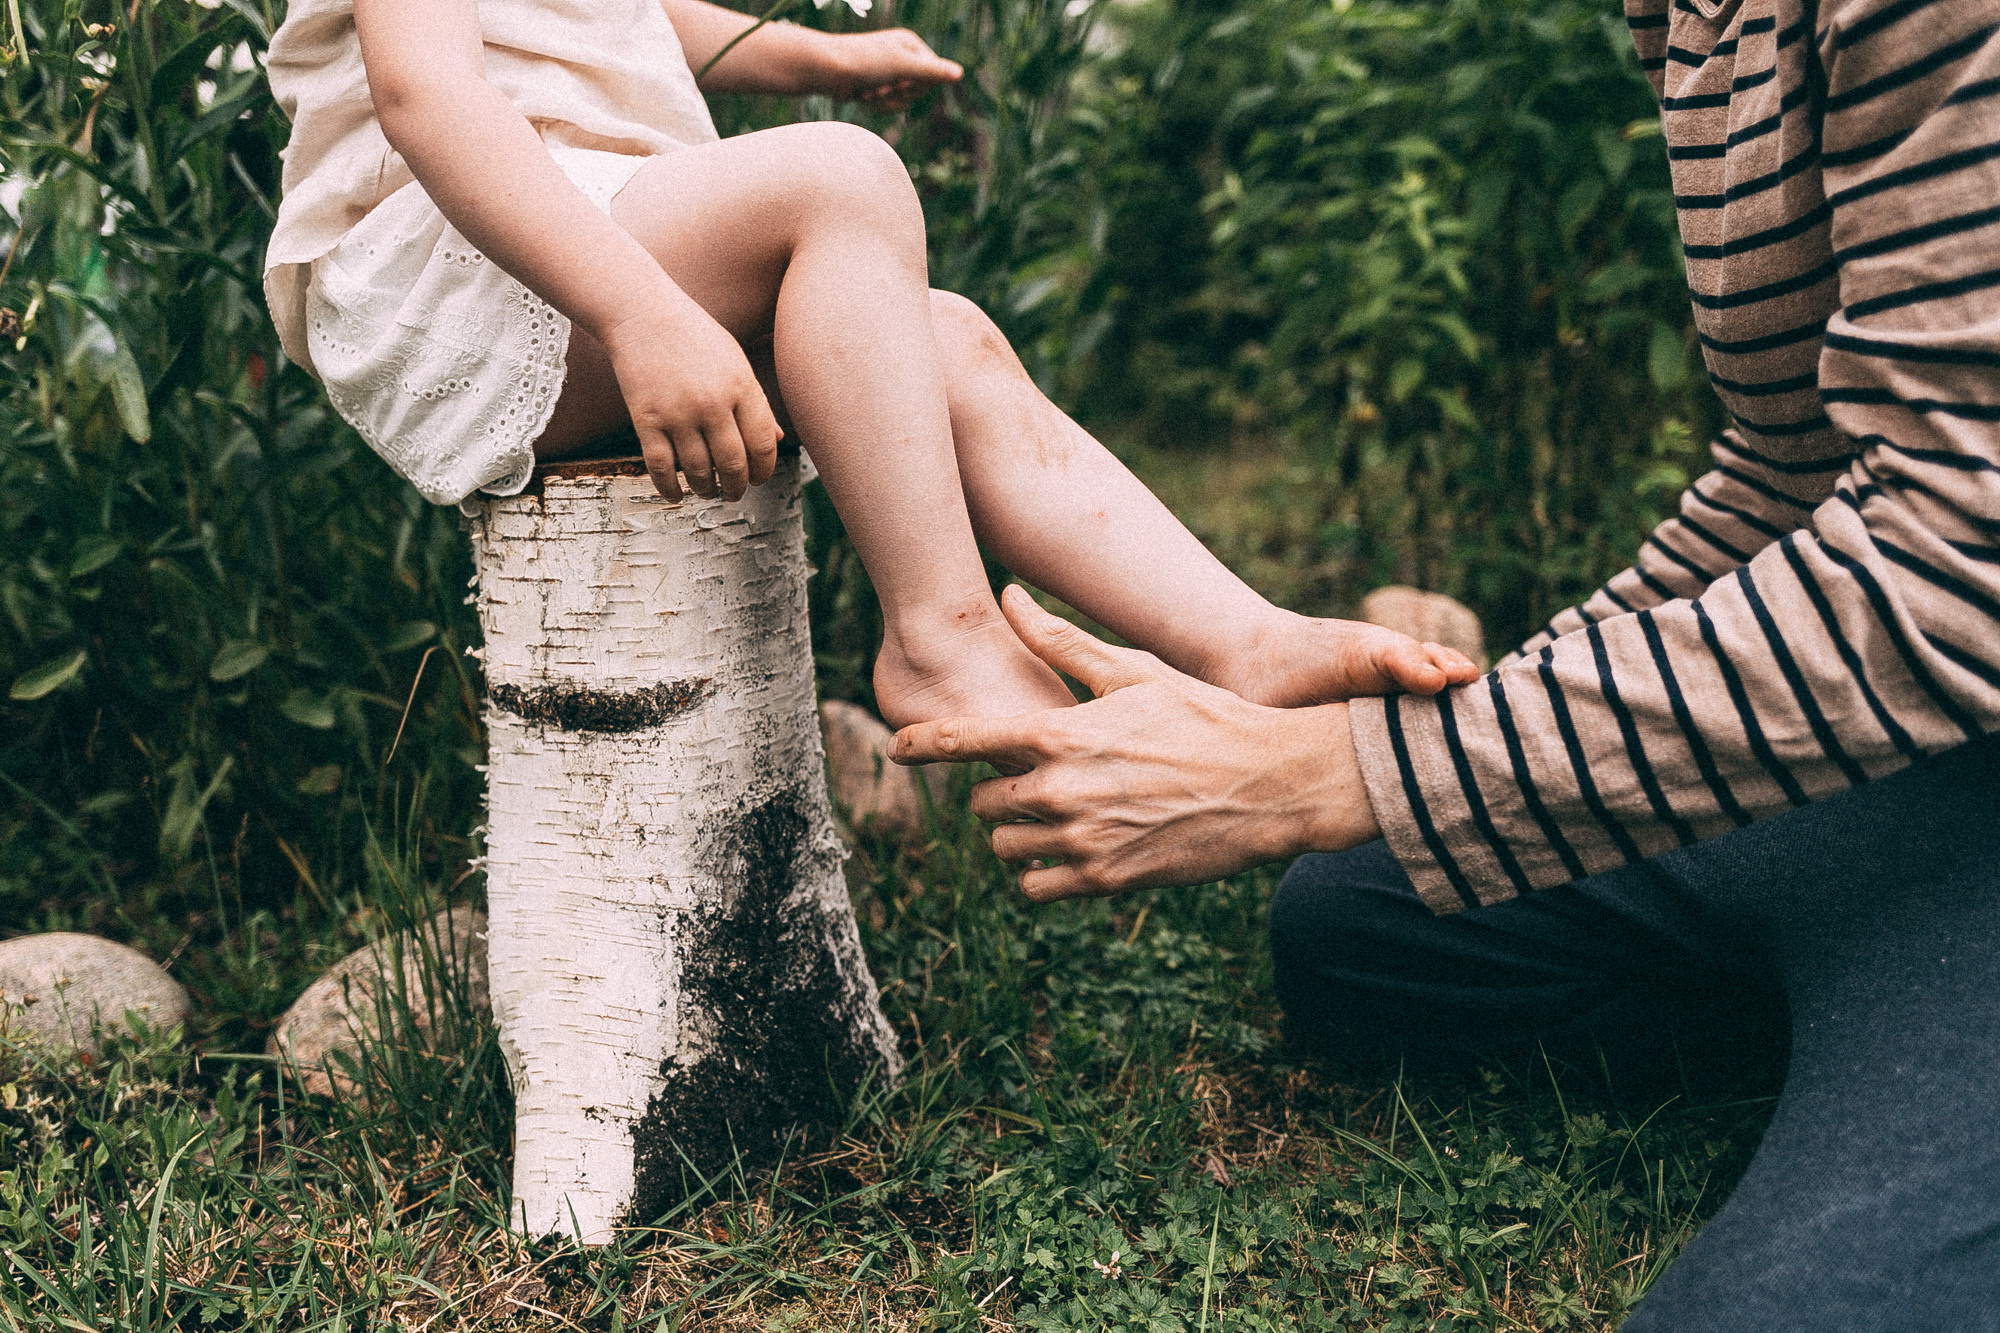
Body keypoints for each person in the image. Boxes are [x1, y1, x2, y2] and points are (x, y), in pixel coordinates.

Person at [891, 0, 2000, 1328]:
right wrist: (1464, 720)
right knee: (1367, 921)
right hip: (1931, 763)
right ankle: (1881, 1035)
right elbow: (1788, 472)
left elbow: (1954, 560)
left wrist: (1338, 770)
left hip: (1958, 687)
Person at [260, 0, 1480, 731]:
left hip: (592, 224)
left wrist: (818, 55)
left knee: (947, 338)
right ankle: (939, 638)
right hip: (452, 259)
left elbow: (617, 20)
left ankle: (1239, 638)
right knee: (838, 180)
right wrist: (639, 313)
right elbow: (423, 93)